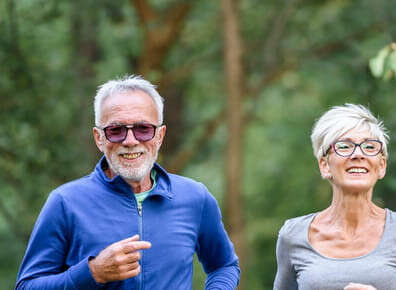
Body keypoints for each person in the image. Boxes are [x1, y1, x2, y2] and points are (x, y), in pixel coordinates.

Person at [16, 75, 240, 289]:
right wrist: (93, 273)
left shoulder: (195, 198)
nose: (130, 141)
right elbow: (26, 286)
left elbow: (224, 265)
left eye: (143, 129)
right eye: (116, 130)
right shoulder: (65, 203)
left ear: (160, 136)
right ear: (99, 138)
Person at [273, 104, 396, 290]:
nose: (358, 154)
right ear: (324, 165)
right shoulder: (293, 234)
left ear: (381, 166)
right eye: (344, 146)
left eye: (369, 147)